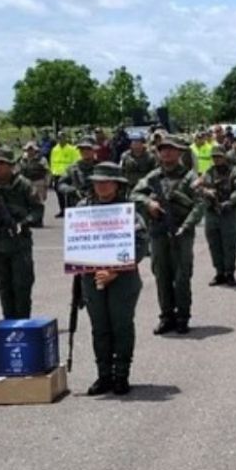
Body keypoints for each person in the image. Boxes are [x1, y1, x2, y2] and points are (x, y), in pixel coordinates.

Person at [78, 162, 150, 396]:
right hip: (91, 276)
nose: (101, 186)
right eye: (97, 182)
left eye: (106, 182)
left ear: (118, 185)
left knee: (121, 326)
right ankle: (104, 375)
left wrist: (115, 270)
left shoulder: (128, 211)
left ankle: (121, 375)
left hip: (123, 278)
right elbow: (76, 241)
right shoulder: (83, 208)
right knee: (99, 328)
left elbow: (141, 245)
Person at [133, 135, 207, 336]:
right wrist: (149, 203)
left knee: (182, 276)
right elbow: (134, 194)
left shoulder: (189, 177)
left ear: (179, 152)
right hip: (158, 232)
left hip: (181, 232)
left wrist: (186, 226)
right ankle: (166, 316)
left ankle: (183, 316)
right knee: (161, 275)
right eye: (162, 149)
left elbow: (200, 204)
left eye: (171, 149)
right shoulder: (153, 177)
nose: (166, 152)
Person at [0, 147, 41, 319]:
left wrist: (23, 223)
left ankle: (23, 323)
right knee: (3, 285)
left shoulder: (23, 185)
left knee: (22, 285)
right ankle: (8, 323)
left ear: (11, 166)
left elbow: (37, 210)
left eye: (2, 163)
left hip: (20, 242)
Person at [199, 146, 236, 287]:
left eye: (219, 156)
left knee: (229, 244)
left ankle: (229, 272)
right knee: (214, 244)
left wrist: (230, 201)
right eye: (214, 157)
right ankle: (219, 272)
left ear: (224, 157)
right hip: (212, 212)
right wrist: (206, 192)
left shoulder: (233, 171)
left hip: (227, 212)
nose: (217, 159)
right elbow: (199, 187)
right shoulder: (209, 172)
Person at [57, 139, 98, 214]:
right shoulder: (72, 168)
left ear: (94, 150)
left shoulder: (101, 167)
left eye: (88, 149)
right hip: (76, 204)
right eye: (82, 149)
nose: (85, 151)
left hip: (98, 205)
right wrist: (73, 190)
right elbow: (61, 184)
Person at [17, 142, 51, 228]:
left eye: (32, 149)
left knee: (39, 202)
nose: (30, 151)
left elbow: (47, 172)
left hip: (39, 182)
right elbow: (18, 171)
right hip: (26, 182)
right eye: (28, 149)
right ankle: (29, 220)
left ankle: (39, 221)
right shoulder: (22, 159)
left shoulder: (42, 159)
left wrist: (47, 183)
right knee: (27, 201)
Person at [48, 133, 79, 219]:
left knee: (69, 194)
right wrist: (52, 174)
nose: (61, 140)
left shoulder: (72, 149)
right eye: (59, 138)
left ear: (66, 138)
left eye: (62, 138)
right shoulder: (54, 149)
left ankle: (69, 211)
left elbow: (75, 161)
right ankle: (62, 211)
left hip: (68, 175)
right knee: (59, 195)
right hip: (57, 174)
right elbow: (52, 162)